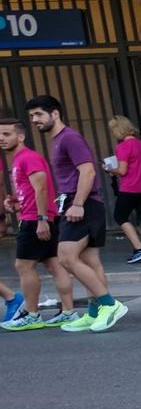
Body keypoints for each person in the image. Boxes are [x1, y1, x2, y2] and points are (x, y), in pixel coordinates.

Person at [25, 96, 126, 333]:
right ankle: (93, 313)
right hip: (78, 203)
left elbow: (88, 171)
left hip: (82, 204)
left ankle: (109, 305)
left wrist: (78, 203)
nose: (34, 120)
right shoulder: (58, 139)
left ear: (55, 113)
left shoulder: (70, 137)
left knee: (66, 257)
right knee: (90, 261)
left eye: (39, 114)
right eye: (31, 117)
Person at [1, 117, 75, 331]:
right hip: (38, 216)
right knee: (53, 264)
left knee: (23, 266)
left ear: (21, 136)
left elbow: (41, 188)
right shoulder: (19, 159)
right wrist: (15, 200)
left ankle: (32, 315)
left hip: (36, 220)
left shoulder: (27, 157)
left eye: (7, 134)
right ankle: (68, 312)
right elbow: (31, 189)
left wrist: (42, 219)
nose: (1, 139)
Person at [105, 116, 141, 265]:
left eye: (113, 130)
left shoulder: (123, 147)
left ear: (118, 129)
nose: (113, 133)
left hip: (130, 188)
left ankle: (139, 250)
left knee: (120, 216)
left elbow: (122, 171)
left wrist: (109, 169)